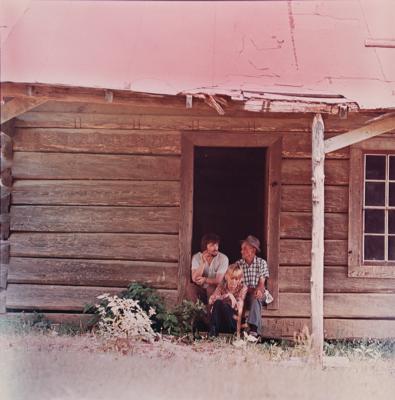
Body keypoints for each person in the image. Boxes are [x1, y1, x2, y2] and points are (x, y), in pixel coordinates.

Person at [236, 235, 269, 337]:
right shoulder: (238, 264)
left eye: (244, 249)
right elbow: (237, 283)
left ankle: (253, 330)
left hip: (258, 292)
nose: (241, 251)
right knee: (240, 297)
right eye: (241, 249)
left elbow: (262, 283)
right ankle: (243, 329)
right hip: (244, 293)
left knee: (256, 296)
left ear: (253, 250)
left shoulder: (261, 263)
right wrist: (248, 289)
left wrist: (258, 290)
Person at [186, 233, 229, 305]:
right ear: (205, 247)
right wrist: (203, 262)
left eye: (216, 245)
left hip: (217, 291)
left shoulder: (223, 258)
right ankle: (196, 313)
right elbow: (194, 278)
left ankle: (210, 315)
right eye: (212, 245)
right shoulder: (197, 257)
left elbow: (218, 280)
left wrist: (205, 279)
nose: (215, 248)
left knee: (211, 288)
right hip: (202, 290)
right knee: (190, 287)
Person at [208, 264, 247, 338]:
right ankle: (213, 332)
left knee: (225, 305)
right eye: (232, 278)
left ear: (240, 279)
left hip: (233, 323)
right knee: (218, 303)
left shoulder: (243, 288)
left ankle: (233, 334)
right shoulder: (222, 286)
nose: (234, 281)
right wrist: (226, 296)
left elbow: (238, 308)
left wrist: (232, 299)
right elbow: (211, 300)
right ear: (226, 277)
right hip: (221, 322)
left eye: (237, 279)